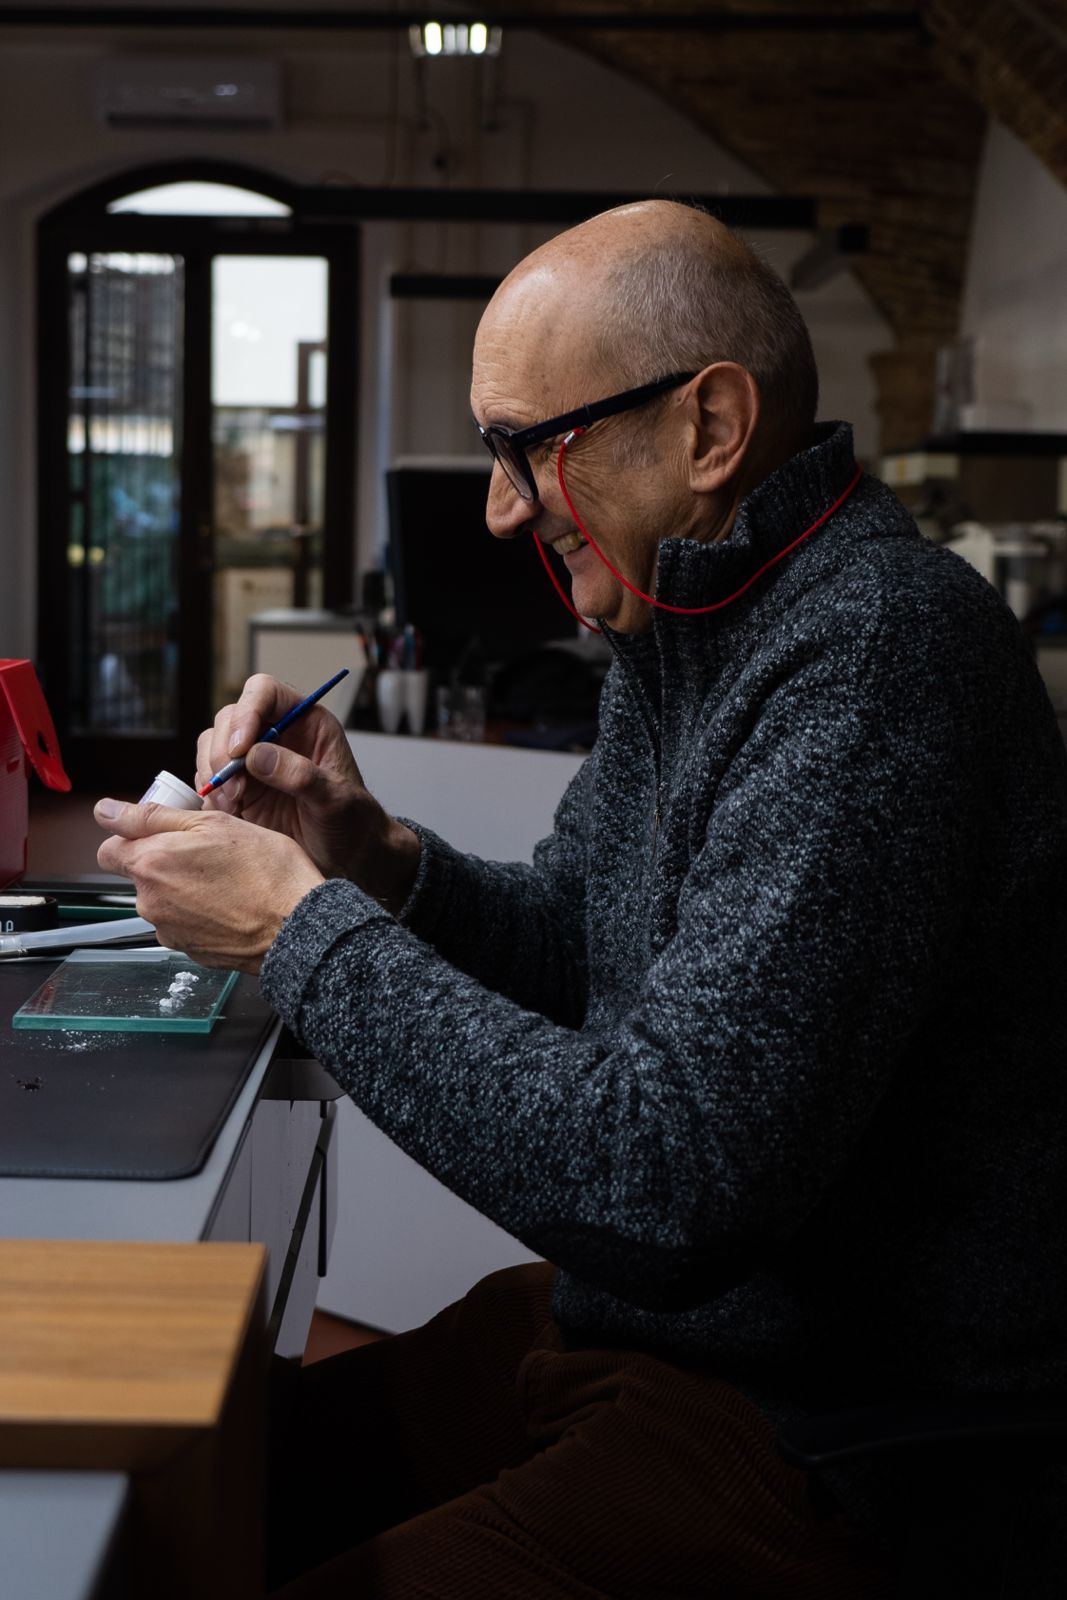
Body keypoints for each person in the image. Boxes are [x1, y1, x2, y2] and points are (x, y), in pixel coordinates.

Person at [95, 201, 1067, 1596]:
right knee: (181, 1493)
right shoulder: (692, 626)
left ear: (709, 427)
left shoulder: (877, 654)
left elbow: (665, 1185)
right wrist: (374, 858)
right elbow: (580, 946)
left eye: (525, 447)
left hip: (846, 1423)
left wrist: (296, 928)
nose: (503, 506)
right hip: (673, 1338)